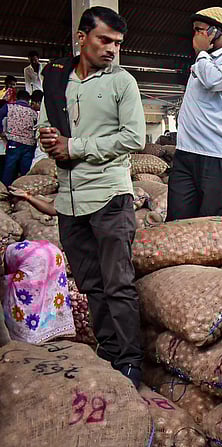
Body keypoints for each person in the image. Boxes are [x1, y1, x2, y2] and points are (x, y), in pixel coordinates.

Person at [37, 6, 145, 387]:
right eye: (104, 40)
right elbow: (46, 124)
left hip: (109, 195)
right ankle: (110, 350)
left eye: (117, 43)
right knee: (90, 283)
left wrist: (76, 146)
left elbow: (134, 137)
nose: (112, 49)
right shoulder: (56, 80)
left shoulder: (122, 83)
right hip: (69, 199)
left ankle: (131, 361)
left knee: (118, 282)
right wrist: (49, 140)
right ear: (81, 39)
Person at [167, 7, 222, 222]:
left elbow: (213, 80)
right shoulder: (203, 62)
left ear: (216, 31)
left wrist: (201, 54)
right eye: (194, 31)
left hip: (216, 155)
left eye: (200, 30)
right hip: (186, 152)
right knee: (178, 221)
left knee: (212, 226)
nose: (195, 36)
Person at [1, 237, 75, 345]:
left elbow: (8, 271)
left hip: (35, 259)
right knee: (53, 289)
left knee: (25, 297)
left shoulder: (10, 254)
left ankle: (29, 335)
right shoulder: (17, 249)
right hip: (54, 254)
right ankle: (55, 328)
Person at [0, 89, 38, 185]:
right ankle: (25, 190)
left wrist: (1, 132)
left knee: (9, 167)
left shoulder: (9, 107)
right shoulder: (33, 112)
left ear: (17, 98)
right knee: (26, 170)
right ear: (28, 100)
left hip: (14, 142)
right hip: (29, 144)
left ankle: (5, 191)